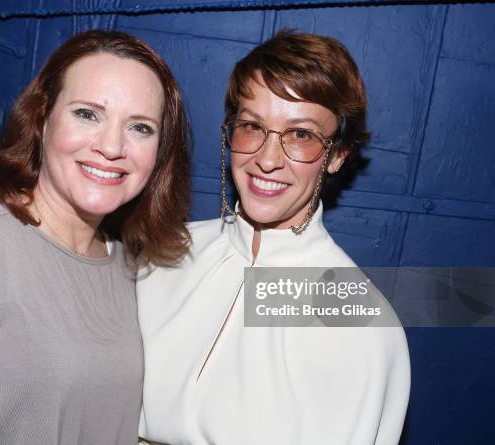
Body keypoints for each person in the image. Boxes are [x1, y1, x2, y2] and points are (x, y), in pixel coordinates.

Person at [0, 30, 190, 445]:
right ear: (43, 120)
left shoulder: (132, 271)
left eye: (140, 127)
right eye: (87, 114)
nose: (112, 146)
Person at [138, 30, 410, 444]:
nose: (266, 159)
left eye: (300, 134)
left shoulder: (361, 323)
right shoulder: (163, 254)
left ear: (337, 155)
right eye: (252, 126)